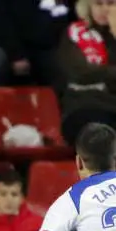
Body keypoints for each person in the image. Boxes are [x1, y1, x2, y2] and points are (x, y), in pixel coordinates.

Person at [57, 0, 116, 146]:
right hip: (84, 106)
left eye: (111, 3)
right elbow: (80, 73)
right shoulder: (75, 33)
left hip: (112, 105)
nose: (104, 9)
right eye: (98, 3)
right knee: (100, 132)